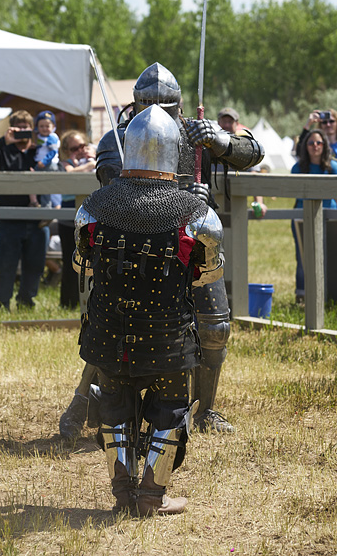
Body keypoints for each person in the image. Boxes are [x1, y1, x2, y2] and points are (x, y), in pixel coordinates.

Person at [59, 62, 264, 438]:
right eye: (149, 104)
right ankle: (84, 399)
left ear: (180, 104)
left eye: (166, 105)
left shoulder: (195, 134)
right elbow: (119, 196)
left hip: (192, 243)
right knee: (114, 323)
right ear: (136, 103)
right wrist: (186, 197)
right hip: (137, 246)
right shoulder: (120, 138)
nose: (157, 112)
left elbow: (253, 153)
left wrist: (219, 141)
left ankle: (204, 408)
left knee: (214, 327)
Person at [72, 104, 225, 515]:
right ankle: (152, 496)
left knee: (114, 405)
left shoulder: (93, 207)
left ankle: (123, 496)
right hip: (167, 334)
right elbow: (207, 275)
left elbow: (81, 265)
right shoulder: (198, 215)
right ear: (174, 152)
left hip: (110, 329)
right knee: (170, 410)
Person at [0, 110, 48, 312]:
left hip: (37, 218)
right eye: (18, 127)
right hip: (9, 217)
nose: (22, 131)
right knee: (5, 265)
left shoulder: (39, 152)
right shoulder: (3, 151)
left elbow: (57, 165)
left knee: (35, 265)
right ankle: (0, 303)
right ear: (11, 129)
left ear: (32, 129)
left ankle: (26, 302)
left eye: (26, 127)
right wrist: (4, 141)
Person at [290, 129, 337, 302]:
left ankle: (328, 295)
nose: (315, 146)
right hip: (301, 216)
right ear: (305, 146)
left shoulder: (333, 167)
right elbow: (292, 192)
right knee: (303, 257)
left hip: (329, 217)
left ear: (324, 145)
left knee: (329, 256)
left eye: (319, 143)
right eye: (311, 143)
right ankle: (302, 295)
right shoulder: (298, 168)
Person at [56, 130, 96, 309]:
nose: (80, 150)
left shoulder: (94, 159)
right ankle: (68, 303)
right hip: (68, 220)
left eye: (82, 146)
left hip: (91, 218)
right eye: (74, 148)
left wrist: (93, 159)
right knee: (70, 262)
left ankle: (92, 302)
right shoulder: (63, 164)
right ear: (66, 151)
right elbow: (70, 174)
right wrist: (91, 164)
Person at [217, 107, 268, 217]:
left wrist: (259, 202)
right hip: (213, 205)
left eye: (230, 122)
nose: (226, 125)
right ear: (218, 123)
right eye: (224, 121)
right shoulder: (210, 145)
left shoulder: (245, 148)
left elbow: (253, 176)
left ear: (236, 124)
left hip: (237, 205)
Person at [296, 109, 337, 175]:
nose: (328, 124)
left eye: (331, 121)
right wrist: (308, 124)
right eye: (324, 122)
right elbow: (300, 152)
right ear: (320, 125)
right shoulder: (317, 146)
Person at [29, 110, 61, 208]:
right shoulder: (41, 137)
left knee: (46, 186)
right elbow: (42, 147)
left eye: (47, 126)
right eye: (41, 126)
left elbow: (53, 152)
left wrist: (44, 161)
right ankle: (37, 202)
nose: (44, 129)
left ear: (53, 126)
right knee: (38, 183)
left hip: (48, 164)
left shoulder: (52, 137)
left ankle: (47, 206)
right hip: (41, 163)